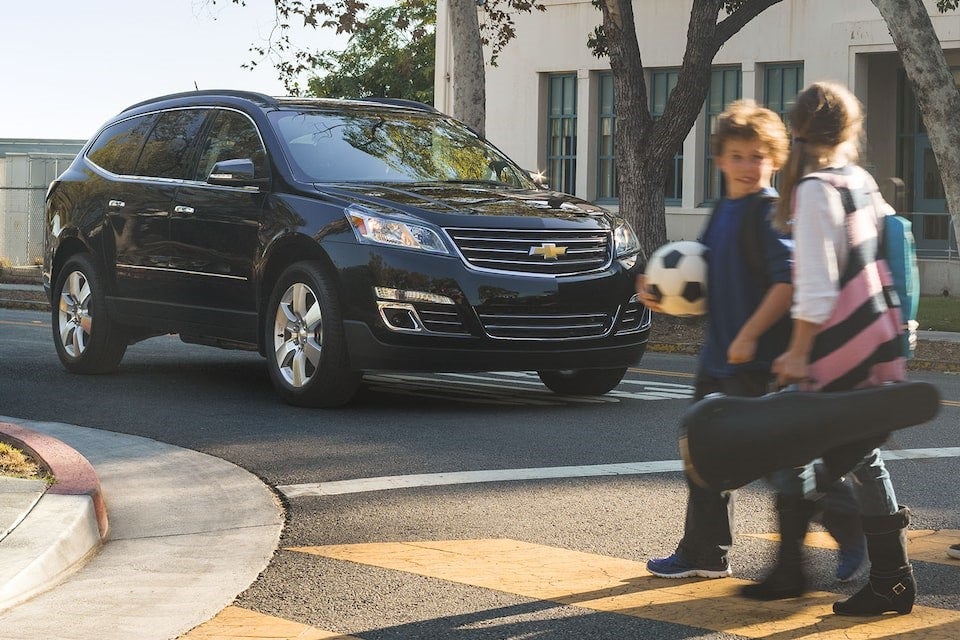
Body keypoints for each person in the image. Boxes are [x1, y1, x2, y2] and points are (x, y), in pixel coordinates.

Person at [639, 99, 864, 583]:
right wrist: (660, 293)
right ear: (719, 159)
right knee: (702, 459)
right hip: (718, 360)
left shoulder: (768, 213)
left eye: (758, 156)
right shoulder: (723, 209)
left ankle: (853, 524)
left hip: (755, 362)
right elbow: (708, 276)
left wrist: (749, 335)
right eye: (737, 156)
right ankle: (704, 553)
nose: (747, 166)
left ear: (776, 160)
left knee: (781, 463)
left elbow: (786, 284)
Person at [764, 81, 915, 616]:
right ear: (852, 128)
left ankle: (818, 562)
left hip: (838, 351)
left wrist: (798, 351)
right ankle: (889, 579)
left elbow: (817, 286)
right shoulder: (859, 179)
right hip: (878, 338)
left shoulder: (813, 191)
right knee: (862, 455)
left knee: (802, 457)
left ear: (796, 131)